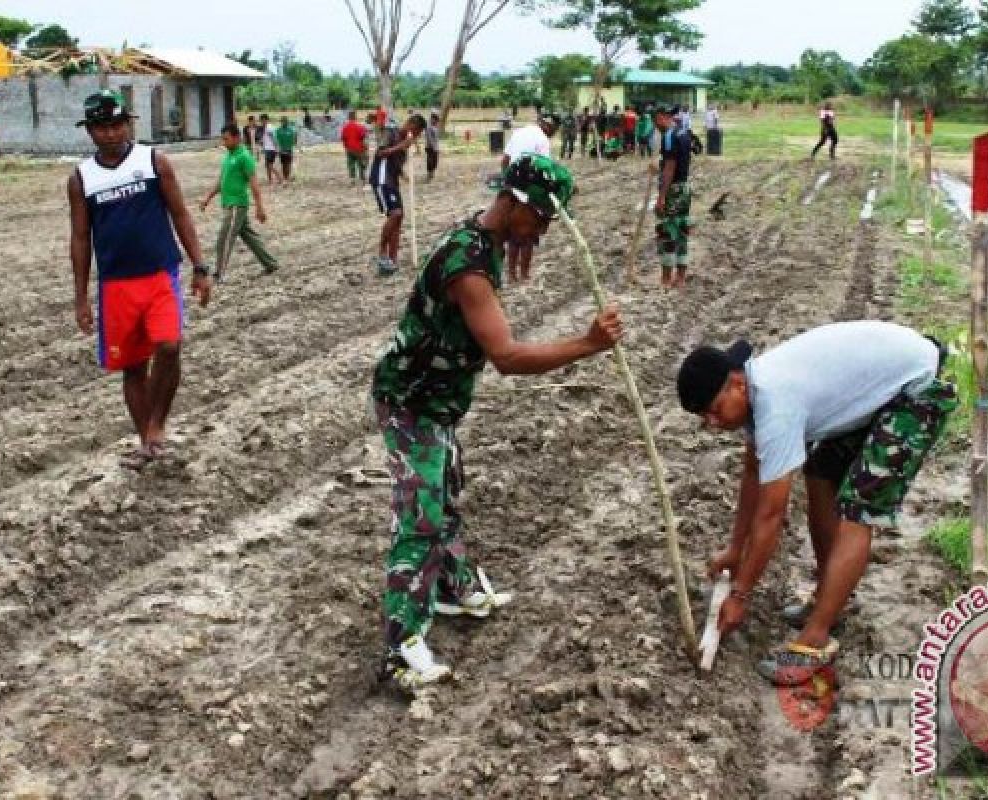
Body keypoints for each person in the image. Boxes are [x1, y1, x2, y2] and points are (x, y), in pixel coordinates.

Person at [371, 153, 625, 693]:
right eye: (539, 218)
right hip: (411, 402)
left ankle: (450, 586)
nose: (542, 230)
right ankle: (400, 647)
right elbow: (507, 357)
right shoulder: (468, 266)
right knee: (419, 518)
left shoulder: (486, 245)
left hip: (438, 403)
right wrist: (586, 344)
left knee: (443, 492)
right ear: (511, 203)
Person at [676, 322, 956, 686]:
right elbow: (753, 474)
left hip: (915, 389)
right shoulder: (754, 398)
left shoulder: (775, 405)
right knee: (821, 473)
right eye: (705, 419)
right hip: (888, 379)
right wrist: (735, 550)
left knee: (857, 509)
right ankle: (827, 597)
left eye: (714, 411)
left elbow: (771, 515)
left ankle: (816, 638)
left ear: (736, 384)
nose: (713, 424)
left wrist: (741, 593)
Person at [66, 90, 211, 468]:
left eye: (117, 125)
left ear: (128, 125)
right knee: (132, 368)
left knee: (168, 346)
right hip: (115, 285)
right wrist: (81, 297)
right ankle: (147, 443)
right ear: (90, 132)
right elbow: (81, 238)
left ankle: (157, 426)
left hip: (160, 275)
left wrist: (199, 266)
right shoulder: (82, 178)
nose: (111, 134)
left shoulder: (154, 162)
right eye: (102, 127)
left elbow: (180, 215)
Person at [200, 122, 278, 282]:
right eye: (222, 139)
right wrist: (207, 197)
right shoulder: (229, 156)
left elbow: (254, 184)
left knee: (225, 237)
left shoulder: (245, 157)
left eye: (226, 139)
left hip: (237, 204)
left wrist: (259, 207)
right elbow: (221, 181)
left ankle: (219, 273)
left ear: (237, 138)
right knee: (249, 236)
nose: (223, 143)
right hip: (228, 203)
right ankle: (271, 264)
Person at [500, 113, 558, 283]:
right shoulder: (542, 139)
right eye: (552, 132)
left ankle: (511, 274)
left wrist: (507, 182)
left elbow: (504, 160)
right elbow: (545, 168)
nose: (551, 135)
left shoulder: (518, 132)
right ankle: (524, 274)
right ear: (548, 127)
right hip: (527, 189)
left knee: (512, 235)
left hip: (510, 187)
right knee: (528, 234)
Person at [370, 113, 426, 276]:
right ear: (408, 124)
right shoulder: (390, 132)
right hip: (381, 178)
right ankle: (382, 252)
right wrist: (401, 146)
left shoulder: (406, 141)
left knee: (399, 218)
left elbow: (395, 162)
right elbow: (380, 154)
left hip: (392, 181)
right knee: (396, 214)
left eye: (417, 134)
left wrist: (402, 173)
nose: (414, 136)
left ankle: (393, 260)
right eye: (414, 131)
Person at [654, 105, 694, 289]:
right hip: (685, 187)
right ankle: (681, 277)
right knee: (682, 231)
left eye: (656, 120)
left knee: (667, 231)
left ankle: (666, 278)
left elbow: (670, 167)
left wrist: (662, 196)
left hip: (673, 190)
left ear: (662, 117)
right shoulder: (684, 132)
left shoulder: (669, 135)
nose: (656, 125)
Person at [340, 111, 369, 187]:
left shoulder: (345, 127)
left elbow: (343, 138)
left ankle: (352, 180)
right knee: (361, 164)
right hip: (359, 149)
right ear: (355, 117)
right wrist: (366, 147)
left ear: (348, 117)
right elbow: (364, 137)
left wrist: (346, 146)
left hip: (349, 149)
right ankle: (363, 179)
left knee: (351, 164)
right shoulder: (360, 127)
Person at [259, 114, 281, 186]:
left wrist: (276, 148)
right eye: (261, 120)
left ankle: (279, 178)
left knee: (269, 165)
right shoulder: (266, 127)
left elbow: (273, 138)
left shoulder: (269, 127)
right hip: (268, 148)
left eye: (262, 120)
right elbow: (267, 138)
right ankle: (270, 180)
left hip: (271, 149)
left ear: (266, 120)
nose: (262, 122)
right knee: (267, 165)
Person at [275, 116, 297, 182]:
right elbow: (277, 141)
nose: (284, 123)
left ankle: (287, 177)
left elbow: (295, 140)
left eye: (285, 121)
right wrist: (278, 149)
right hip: (282, 150)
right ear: (281, 122)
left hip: (289, 149)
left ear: (287, 122)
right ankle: (285, 177)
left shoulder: (291, 130)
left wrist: (293, 144)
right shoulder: (278, 130)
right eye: (283, 121)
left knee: (288, 164)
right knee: (283, 164)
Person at [425, 112, 441, 182]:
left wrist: (437, 147)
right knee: (430, 161)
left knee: (435, 161)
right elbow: (430, 138)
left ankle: (432, 173)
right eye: (435, 120)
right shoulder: (428, 127)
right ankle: (429, 174)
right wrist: (434, 147)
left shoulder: (435, 127)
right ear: (432, 119)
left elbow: (436, 138)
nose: (436, 121)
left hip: (435, 147)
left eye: (437, 120)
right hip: (430, 147)